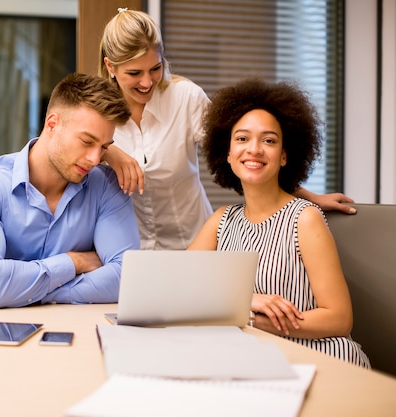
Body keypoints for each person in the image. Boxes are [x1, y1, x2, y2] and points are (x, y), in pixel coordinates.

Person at [99, 8, 357, 250]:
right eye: (135, 73)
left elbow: (243, 154)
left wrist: (308, 196)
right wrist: (107, 150)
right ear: (110, 66)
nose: (147, 82)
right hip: (130, 253)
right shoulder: (98, 115)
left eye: (155, 68)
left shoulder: (185, 98)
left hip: (194, 243)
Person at [188, 78, 370, 368]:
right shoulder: (221, 220)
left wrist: (249, 319)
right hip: (252, 355)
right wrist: (246, 300)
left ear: (284, 156)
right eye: (242, 138)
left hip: (318, 356)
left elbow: (340, 319)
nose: (255, 149)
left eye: (269, 140)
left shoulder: (305, 218)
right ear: (228, 153)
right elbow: (179, 287)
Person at [0, 73, 140, 309]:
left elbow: (126, 278)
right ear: (52, 124)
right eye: (86, 141)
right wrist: (73, 262)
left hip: (76, 331)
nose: (95, 158)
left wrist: (27, 293)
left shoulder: (106, 187)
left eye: (104, 147)